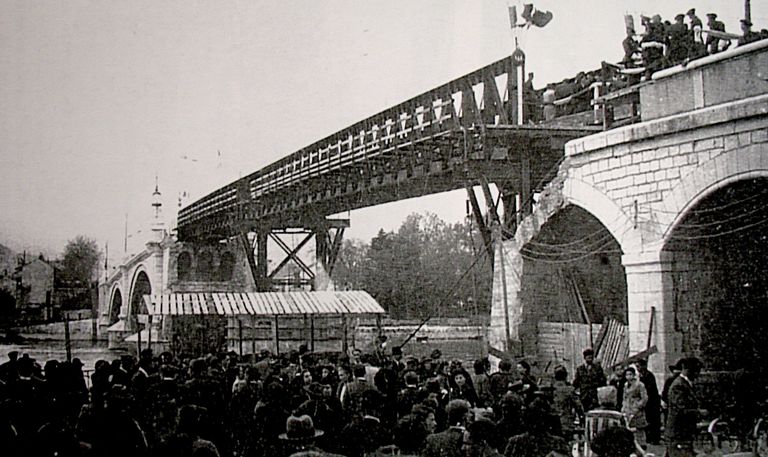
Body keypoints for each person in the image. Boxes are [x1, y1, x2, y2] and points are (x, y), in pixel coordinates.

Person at [665, 357, 705, 457]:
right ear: (687, 370)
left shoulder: (686, 384)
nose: (698, 375)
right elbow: (681, 409)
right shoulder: (678, 386)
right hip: (678, 433)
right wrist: (699, 413)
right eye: (696, 371)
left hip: (683, 433)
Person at [621, 366, 648, 448]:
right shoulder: (625, 385)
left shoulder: (640, 385)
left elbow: (644, 398)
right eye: (627, 375)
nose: (628, 376)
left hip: (637, 410)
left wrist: (638, 406)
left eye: (630, 374)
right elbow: (624, 397)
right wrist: (623, 407)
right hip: (627, 409)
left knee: (638, 429)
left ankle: (641, 446)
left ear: (634, 375)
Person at [636, 359, 661, 445]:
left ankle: (654, 438)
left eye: (639, 366)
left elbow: (649, 389)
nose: (638, 368)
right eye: (637, 367)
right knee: (648, 419)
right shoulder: (641, 376)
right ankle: (649, 437)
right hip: (646, 401)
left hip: (652, 401)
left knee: (653, 419)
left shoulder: (649, 376)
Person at [573, 348, 606, 412]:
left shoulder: (597, 368)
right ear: (585, 358)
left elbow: (602, 381)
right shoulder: (580, 369)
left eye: (591, 358)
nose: (590, 359)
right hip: (584, 396)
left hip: (595, 395)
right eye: (588, 358)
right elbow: (576, 382)